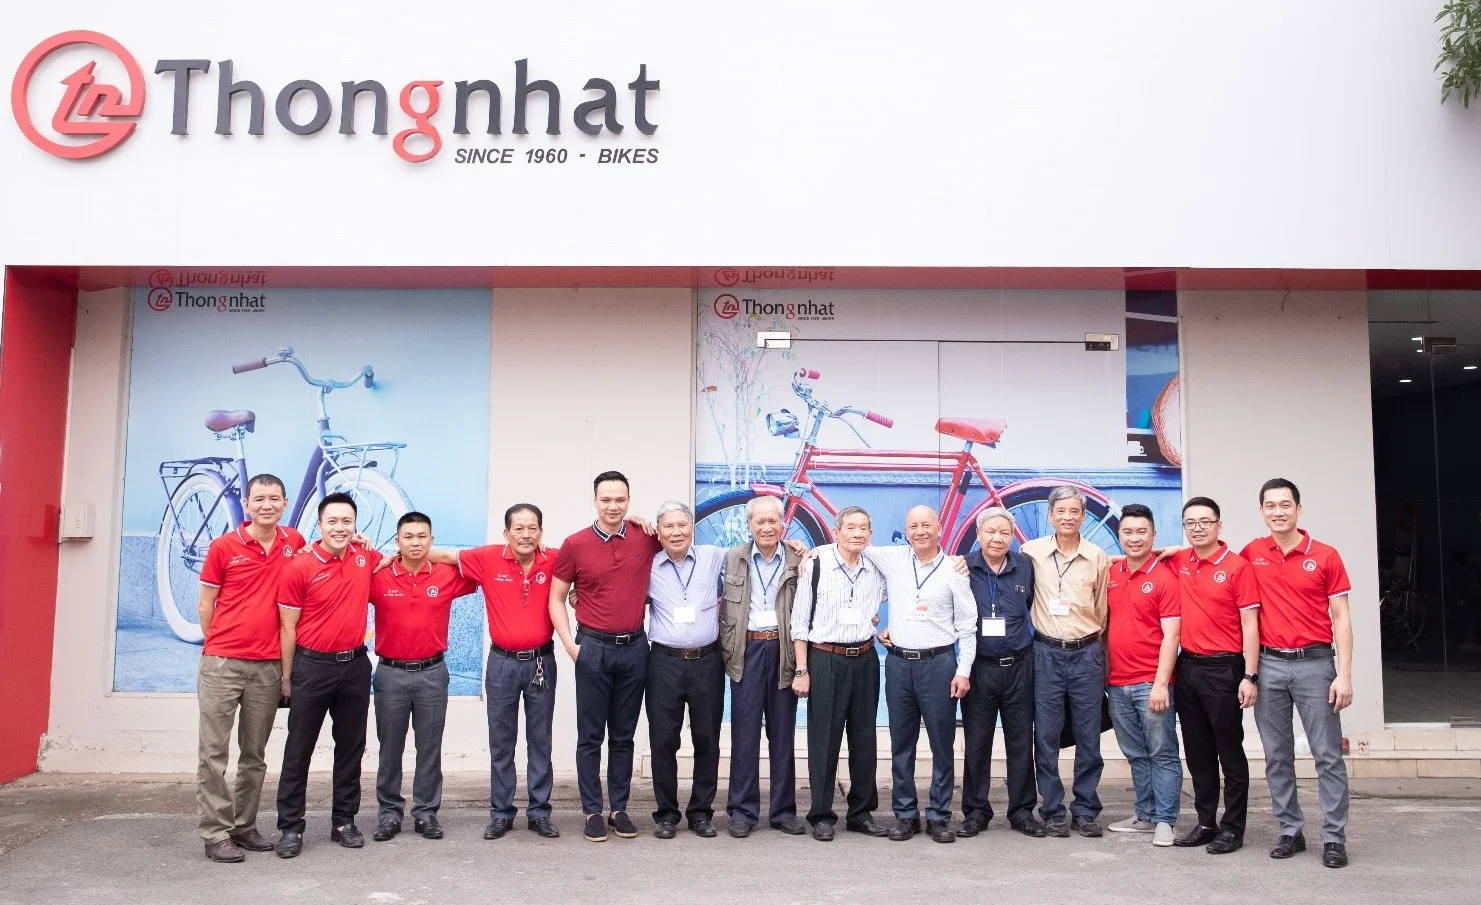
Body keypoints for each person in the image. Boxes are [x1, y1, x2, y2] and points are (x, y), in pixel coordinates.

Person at [1241, 478, 1354, 869]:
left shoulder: (1325, 555)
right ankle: (1290, 830)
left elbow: (1341, 618)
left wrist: (1344, 674)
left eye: (1285, 505)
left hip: (1315, 665)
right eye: (1270, 506)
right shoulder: (1252, 553)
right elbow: (1215, 562)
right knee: (1276, 756)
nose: (1278, 512)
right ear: (1262, 511)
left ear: (1299, 509)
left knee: (1327, 756)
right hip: (1269, 665)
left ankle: (1334, 837)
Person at [194, 474, 306, 862]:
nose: (266, 505)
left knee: (254, 754)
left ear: (285, 503)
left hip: (269, 666)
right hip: (222, 664)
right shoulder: (224, 547)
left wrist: (360, 541)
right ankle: (215, 832)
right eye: (259, 498)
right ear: (246, 504)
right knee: (213, 753)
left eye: (274, 498)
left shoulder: (295, 543)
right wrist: (219, 645)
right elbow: (205, 604)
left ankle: (243, 826)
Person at [438, 504, 564, 840]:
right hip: (501, 664)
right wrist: (397, 555)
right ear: (506, 533)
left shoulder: (554, 559)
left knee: (540, 740)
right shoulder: (488, 558)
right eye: (518, 528)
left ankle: (539, 813)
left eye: (532, 528)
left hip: (541, 662)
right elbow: (445, 557)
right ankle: (501, 813)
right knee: (501, 742)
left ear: (541, 532)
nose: (526, 535)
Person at [548, 471, 662, 843]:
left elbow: (678, 543)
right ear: (595, 501)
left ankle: (619, 809)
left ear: (629, 501)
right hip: (592, 648)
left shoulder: (645, 538)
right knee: (591, 736)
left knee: (624, 735)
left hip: (635, 648)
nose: (613, 506)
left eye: (620, 500)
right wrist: (570, 644)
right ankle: (592, 811)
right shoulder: (575, 544)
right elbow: (557, 598)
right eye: (606, 500)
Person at [274, 492, 383, 858]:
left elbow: (394, 560)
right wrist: (286, 677)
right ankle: (291, 827)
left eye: (347, 521)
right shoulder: (299, 567)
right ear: (319, 526)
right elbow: (287, 628)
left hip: (354, 666)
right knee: (299, 747)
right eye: (332, 521)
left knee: (352, 746)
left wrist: (367, 545)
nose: (340, 528)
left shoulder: (364, 557)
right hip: (311, 667)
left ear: (355, 525)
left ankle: (344, 822)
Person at [366, 512, 477, 843]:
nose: (415, 542)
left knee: (429, 746)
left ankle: (426, 813)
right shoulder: (379, 576)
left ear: (431, 540)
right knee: (390, 747)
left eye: (422, 536)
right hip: (391, 674)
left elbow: (485, 569)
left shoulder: (446, 575)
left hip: (432, 673)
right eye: (408, 536)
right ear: (397, 541)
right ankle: (389, 813)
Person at [869, 505, 976, 843]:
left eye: (926, 525)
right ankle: (905, 815)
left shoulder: (955, 571)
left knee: (942, 745)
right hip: (899, 664)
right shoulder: (893, 559)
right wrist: (806, 550)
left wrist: (963, 671)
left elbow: (968, 627)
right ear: (906, 531)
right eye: (913, 526)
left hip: (939, 665)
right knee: (902, 744)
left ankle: (939, 816)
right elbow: (849, 544)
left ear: (939, 528)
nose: (920, 531)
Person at [790, 505, 889, 842]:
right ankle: (821, 815)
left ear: (870, 534)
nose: (857, 533)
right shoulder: (816, 565)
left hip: (865, 658)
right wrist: (802, 670)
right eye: (850, 527)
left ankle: (861, 813)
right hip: (825, 658)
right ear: (836, 531)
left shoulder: (876, 567)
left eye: (863, 528)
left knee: (864, 739)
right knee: (824, 739)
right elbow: (799, 624)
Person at [1172, 496, 1261, 854]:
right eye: (1190, 523)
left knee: (1229, 752)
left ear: (1219, 526)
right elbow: (1149, 555)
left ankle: (1233, 828)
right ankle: (1206, 823)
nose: (1197, 528)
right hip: (1188, 667)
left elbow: (1250, 624)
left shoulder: (1238, 567)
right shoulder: (1182, 560)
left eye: (1204, 522)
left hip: (1224, 669)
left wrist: (1250, 676)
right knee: (1198, 753)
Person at [1020, 485, 1110, 838]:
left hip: (1087, 652)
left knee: (1089, 736)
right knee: (1046, 735)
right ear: (1050, 515)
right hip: (1045, 653)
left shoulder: (1097, 556)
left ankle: (1085, 809)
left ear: (1083, 516)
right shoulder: (1031, 552)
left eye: (1074, 511)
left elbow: (1102, 609)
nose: (1067, 517)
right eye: (1061, 511)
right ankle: (1053, 809)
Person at [720, 496, 806, 838]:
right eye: (760, 521)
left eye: (773, 521)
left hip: (784, 650)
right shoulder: (731, 558)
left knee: (783, 734)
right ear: (749, 524)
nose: (767, 527)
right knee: (745, 734)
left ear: (783, 523)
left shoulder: (799, 558)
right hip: (747, 650)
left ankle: (783, 811)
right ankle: (742, 811)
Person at [959, 507, 1045, 839]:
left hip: (1020, 666)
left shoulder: (1025, 566)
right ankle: (976, 812)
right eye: (991, 532)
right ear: (979, 534)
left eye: (1004, 533)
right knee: (977, 742)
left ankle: (1022, 811)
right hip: (979, 668)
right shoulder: (963, 567)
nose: (997, 538)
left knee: (1021, 741)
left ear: (1012, 537)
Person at [644, 501, 727, 839]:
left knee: (707, 738)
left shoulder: (714, 557)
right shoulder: (648, 565)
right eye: (669, 526)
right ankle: (666, 814)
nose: (676, 532)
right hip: (664, 662)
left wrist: (799, 548)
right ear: (658, 532)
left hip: (708, 661)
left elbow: (753, 556)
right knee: (663, 740)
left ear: (692, 528)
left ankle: (701, 813)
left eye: (682, 525)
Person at [1103, 504, 1182, 847]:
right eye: (1127, 532)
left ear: (1153, 535)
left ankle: (1165, 820)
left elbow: (1172, 635)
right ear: (1119, 535)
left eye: (1141, 532)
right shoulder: (1112, 573)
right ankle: (1145, 815)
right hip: (1117, 683)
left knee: (1162, 752)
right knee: (1135, 753)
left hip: (1151, 682)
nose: (1134, 538)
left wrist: (1161, 684)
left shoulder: (1165, 578)